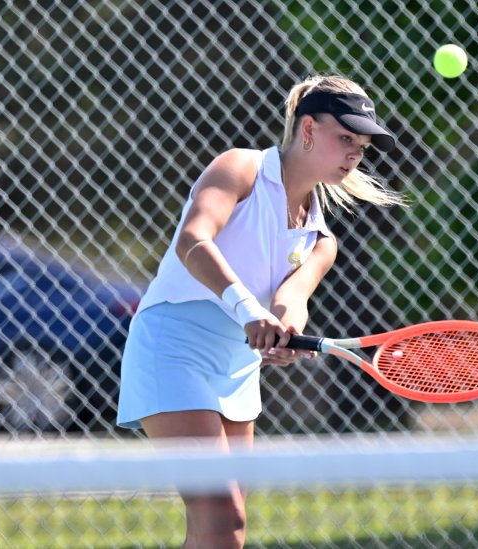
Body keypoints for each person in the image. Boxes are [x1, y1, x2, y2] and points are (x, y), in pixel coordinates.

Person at [117, 74, 404, 549]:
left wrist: (285, 335)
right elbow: (193, 240)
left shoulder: (322, 240)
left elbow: (292, 301)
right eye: (346, 138)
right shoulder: (240, 167)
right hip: (173, 350)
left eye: (362, 146)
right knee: (221, 517)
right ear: (308, 129)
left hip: (237, 368)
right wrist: (249, 310)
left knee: (220, 531)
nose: (355, 154)